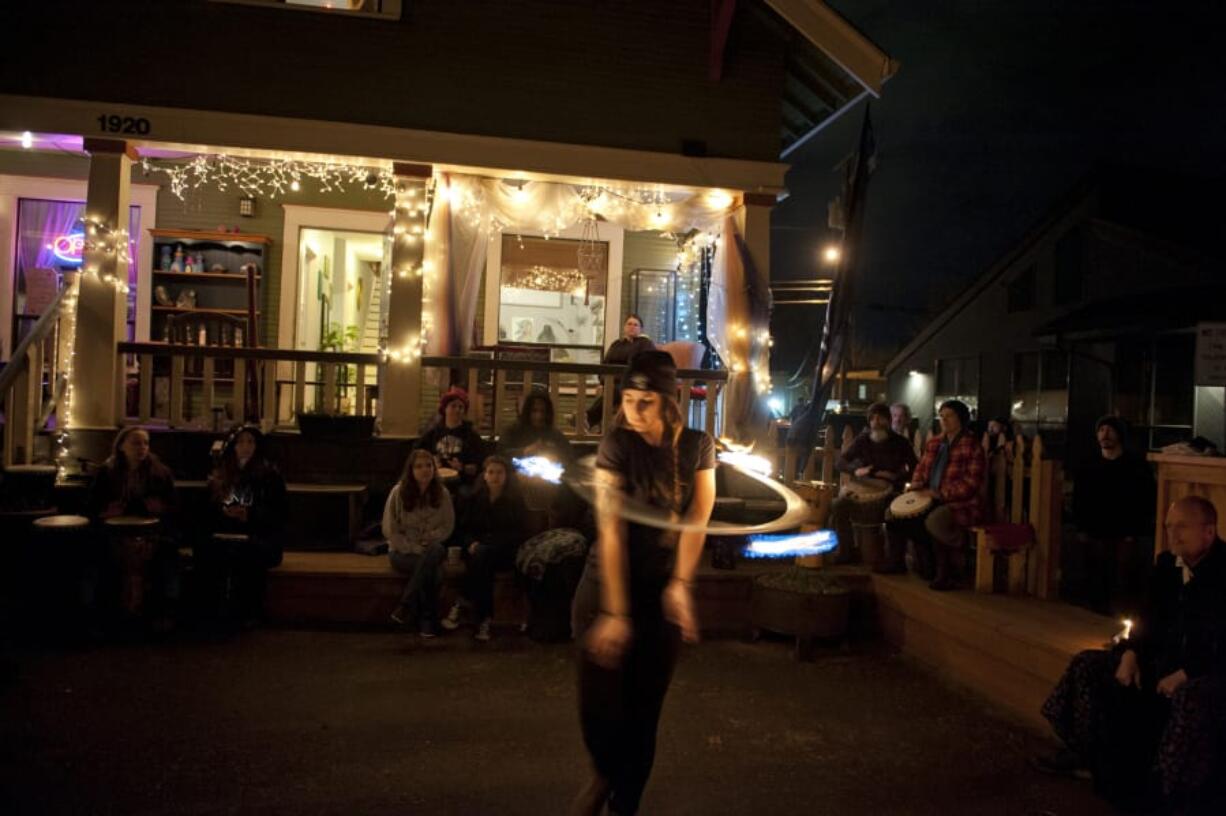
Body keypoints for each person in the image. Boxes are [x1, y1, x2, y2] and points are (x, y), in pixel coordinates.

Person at [570, 350, 716, 815]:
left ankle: (623, 803)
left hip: (659, 591)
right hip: (604, 584)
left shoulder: (697, 444)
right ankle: (603, 775)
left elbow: (698, 515)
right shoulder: (617, 444)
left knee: (643, 712)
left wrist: (680, 584)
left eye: (645, 400)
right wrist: (614, 612)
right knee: (599, 711)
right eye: (628, 398)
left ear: (668, 402)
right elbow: (611, 527)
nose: (634, 409)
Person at [1036, 496, 1226, 813]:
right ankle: (1086, 754)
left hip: (1206, 671)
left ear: (1209, 532)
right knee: (1088, 665)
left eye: (1182, 527)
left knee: (1190, 698)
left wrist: (1186, 673)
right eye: (1168, 527)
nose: (1173, 535)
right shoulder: (1168, 565)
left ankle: (1166, 786)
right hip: (1159, 662)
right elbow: (1147, 616)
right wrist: (1130, 653)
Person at [883, 399, 985, 589]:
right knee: (893, 514)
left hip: (960, 503)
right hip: (929, 496)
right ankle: (898, 562)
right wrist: (916, 486)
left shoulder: (971, 445)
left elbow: (970, 484)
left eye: (950, 416)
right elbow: (921, 470)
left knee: (935, 520)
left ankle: (944, 572)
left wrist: (940, 494)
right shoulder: (934, 443)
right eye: (942, 416)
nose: (944, 421)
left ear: (961, 418)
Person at [87, 426, 180, 628]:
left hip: (152, 532)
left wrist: (160, 509)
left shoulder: (160, 472)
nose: (142, 448)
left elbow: (174, 507)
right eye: (136, 443)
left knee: (166, 555)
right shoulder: (107, 472)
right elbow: (92, 506)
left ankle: (161, 611)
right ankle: (102, 612)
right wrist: (104, 512)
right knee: (97, 554)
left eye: (145, 443)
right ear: (121, 446)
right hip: (113, 533)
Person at [198, 424, 287, 627]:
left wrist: (250, 515)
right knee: (208, 551)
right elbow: (206, 510)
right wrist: (223, 513)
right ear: (232, 446)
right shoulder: (220, 475)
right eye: (241, 442)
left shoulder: (270, 476)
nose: (246, 447)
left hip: (258, 535)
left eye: (251, 442)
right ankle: (211, 610)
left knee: (248, 554)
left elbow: (279, 514)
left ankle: (248, 612)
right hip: (224, 532)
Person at [1072, 416, 1156, 614]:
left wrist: (1136, 529)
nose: (1105, 435)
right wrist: (1081, 527)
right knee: (1096, 573)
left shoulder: (1136, 466)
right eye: (1101, 431)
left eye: (1110, 430)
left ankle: (1126, 615)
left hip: (1125, 530)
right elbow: (1079, 499)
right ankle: (1097, 611)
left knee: (1125, 575)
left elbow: (1146, 499)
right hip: (1095, 529)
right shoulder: (1088, 466)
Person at [441, 455, 527, 641]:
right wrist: (470, 543)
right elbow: (464, 529)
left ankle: (462, 601)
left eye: (500, 472)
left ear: (506, 476)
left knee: (483, 557)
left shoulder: (514, 501)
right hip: (477, 550)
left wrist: (487, 545)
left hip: (504, 552)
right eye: (491, 472)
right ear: (484, 475)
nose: (495, 476)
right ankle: (484, 620)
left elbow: (517, 533)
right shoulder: (474, 499)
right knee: (482, 559)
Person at [828, 402, 917, 564]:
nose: (876, 422)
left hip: (890, 490)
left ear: (888, 420)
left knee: (894, 512)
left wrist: (895, 476)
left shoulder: (901, 443)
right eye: (873, 418)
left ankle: (894, 560)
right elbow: (840, 462)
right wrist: (855, 471)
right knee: (838, 505)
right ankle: (846, 551)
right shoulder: (863, 440)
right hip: (862, 488)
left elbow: (915, 468)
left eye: (881, 418)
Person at [383, 449, 455, 638]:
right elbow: (390, 530)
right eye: (419, 466)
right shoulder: (398, 493)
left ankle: (406, 606)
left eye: (429, 465)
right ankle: (427, 620)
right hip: (403, 552)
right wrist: (414, 548)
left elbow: (448, 525)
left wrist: (432, 537)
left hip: (430, 548)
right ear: (411, 470)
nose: (425, 470)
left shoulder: (442, 493)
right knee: (434, 572)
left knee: (436, 550)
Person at [586, 313, 655, 431]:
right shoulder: (616, 344)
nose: (632, 326)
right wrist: (603, 381)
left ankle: (588, 418)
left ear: (640, 329)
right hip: (611, 381)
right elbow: (605, 365)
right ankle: (591, 422)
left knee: (614, 391)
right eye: (629, 324)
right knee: (611, 389)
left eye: (636, 325)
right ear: (624, 327)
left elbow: (645, 366)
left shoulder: (645, 344)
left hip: (632, 383)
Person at [416, 387, 487, 487]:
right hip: (434, 481)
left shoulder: (472, 436)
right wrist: (430, 463)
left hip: (462, 483)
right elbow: (416, 456)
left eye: (461, 407)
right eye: (453, 406)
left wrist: (462, 468)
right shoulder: (432, 434)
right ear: (444, 409)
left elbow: (480, 466)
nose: (457, 410)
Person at [499, 389, 574, 465]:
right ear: (527, 411)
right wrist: (524, 451)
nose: (539, 416)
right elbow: (500, 454)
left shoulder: (555, 434)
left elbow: (570, 457)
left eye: (543, 411)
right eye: (534, 411)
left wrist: (556, 457)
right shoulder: (512, 431)